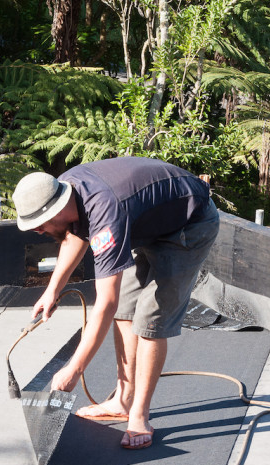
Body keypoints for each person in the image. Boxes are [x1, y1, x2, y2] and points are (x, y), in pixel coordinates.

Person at [12, 156, 219, 449]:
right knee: (126, 308)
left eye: (39, 225)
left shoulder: (105, 211)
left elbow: (104, 303)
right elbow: (75, 237)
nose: (37, 231)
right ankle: (122, 400)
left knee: (151, 321)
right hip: (146, 225)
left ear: (56, 209)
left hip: (188, 226)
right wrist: (52, 290)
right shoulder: (68, 189)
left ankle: (139, 415)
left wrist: (75, 368)